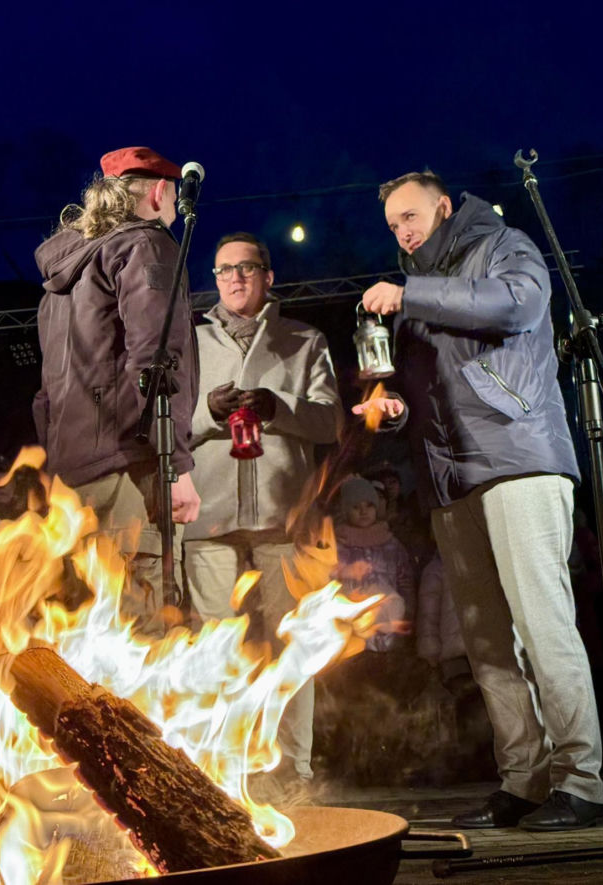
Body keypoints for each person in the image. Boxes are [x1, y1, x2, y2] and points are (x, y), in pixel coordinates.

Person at [353, 170, 603, 830]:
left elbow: (519, 304)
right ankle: (524, 779)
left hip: (517, 460)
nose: (402, 232)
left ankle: (584, 780)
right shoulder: (413, 295)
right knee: (487, 643)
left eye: (410, 217)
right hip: (451, 480)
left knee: (543, 625)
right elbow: (423, 390)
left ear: (442, 206)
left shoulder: (500, 245)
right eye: (392, 225)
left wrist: (414, 292)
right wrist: (395, 409)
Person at [182, 232, 343, 789]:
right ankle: (220, 771)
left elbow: (331, 423)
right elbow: (166, 424)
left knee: (290, 644)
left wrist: (278, 407)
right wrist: (207, 412)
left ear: (268, 276)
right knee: (214, 647)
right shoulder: (189, 342)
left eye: (247, 267)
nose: (235, 278)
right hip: (208, 518)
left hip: (284, 518)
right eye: (225, 269)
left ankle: (294, 770)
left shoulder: (303, 339)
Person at [33, 146, 200, 634]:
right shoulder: (146, 244)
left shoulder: (63, 279)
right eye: (169, 201)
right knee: (139, 625)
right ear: (159, 191)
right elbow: (156, 357)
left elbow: (46, 393)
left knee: (93, 624)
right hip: (129, 463)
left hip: (73, 472)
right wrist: (179, 467)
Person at [334, 476, 411, 650]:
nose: (363, 512)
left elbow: (405, 579)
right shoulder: (339, 546)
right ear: (346, 511)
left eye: (369, 505)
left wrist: (408, 611)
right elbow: (330, 579)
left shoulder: (391, 544)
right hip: (355, 627)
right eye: (356, 507)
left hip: (392, 623)